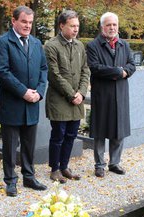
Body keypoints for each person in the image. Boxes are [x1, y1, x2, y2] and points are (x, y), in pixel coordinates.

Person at [0, 6, 48, 196]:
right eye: (24, 21)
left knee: (29, 143)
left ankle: (29, 177)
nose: (27, 26)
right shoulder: (2, 42)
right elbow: (2, 71)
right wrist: (23, 92)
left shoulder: (36, 42)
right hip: (12, 103)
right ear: (14, 21)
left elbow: (43, 69)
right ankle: (10, 180)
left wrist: (39, 92)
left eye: (30, 23)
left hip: (32, 103)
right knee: (10, 145)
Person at [86, 12, 136, 178]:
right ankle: (99, 165)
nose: (112, 28)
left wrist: (125, 72)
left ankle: (115, 163)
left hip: (120, 93)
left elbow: (132, 65)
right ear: (102, 27)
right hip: (102, 93)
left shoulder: (124, 45)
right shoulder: (93, 45)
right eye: (108, 25)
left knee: (119, 129)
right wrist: (117, 71)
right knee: (100, 131)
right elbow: (95, 67)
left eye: (114, 25)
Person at [44, 10, 90, 183]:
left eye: (77, 26)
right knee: (58, 135)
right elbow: (54, 75)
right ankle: (54, 169)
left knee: (71, 134)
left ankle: (64, 166)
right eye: (72, 26)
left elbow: (85, 70)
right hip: (60, 99)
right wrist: (72, 94)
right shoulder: (51, 45)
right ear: (61, 25)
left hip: (77, 98)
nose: (75, 29)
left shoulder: (79, 46)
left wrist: (82, 92)